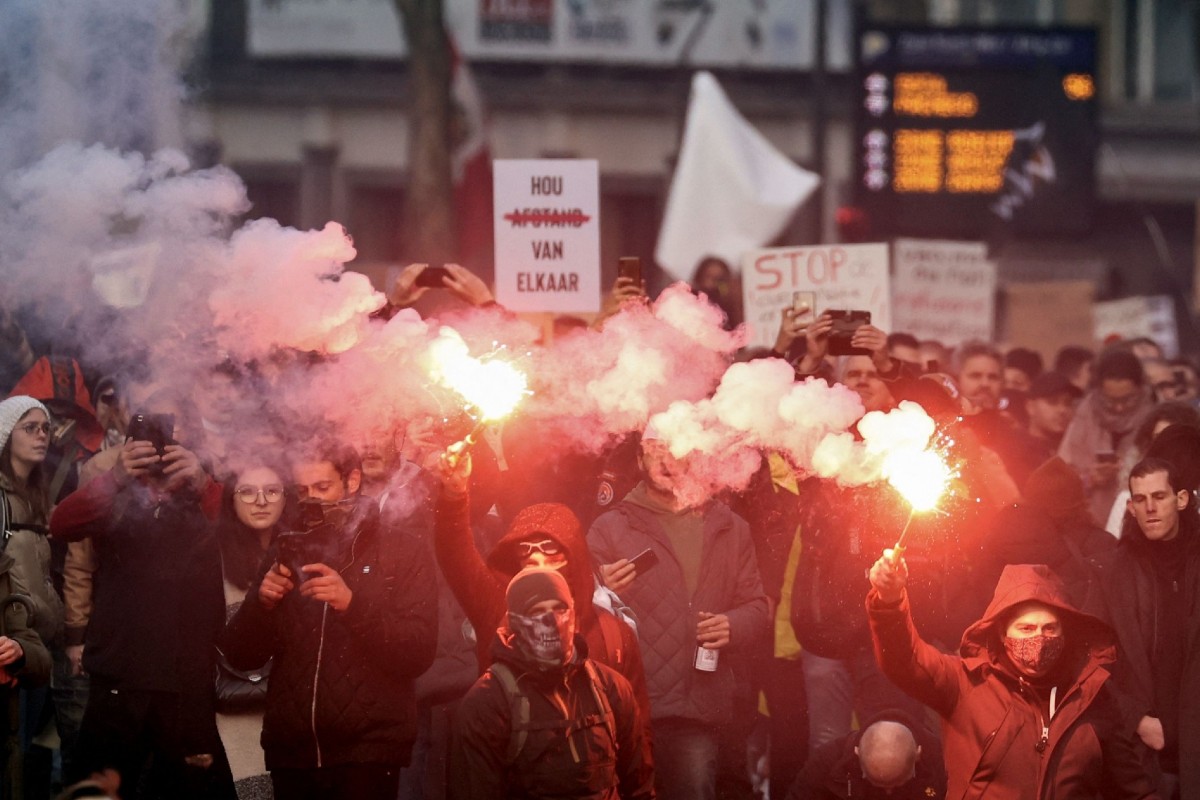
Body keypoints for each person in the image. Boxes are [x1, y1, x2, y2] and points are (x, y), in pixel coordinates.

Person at [220, 441, 438, 799]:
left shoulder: (402, 549)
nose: (313, 501)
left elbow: (418, 652)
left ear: (352, 481)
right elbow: (242, 656)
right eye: (303, 491)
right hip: (292, 753)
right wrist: (261, 604)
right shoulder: (285, 548)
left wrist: (352, 605)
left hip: (368, 753)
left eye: (323, 488)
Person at [48, 392, 236, 797]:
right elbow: (62, 525)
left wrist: (203, 482)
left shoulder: (207, 483)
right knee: (98, 791)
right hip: (120, 670)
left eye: (172, 432)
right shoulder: (115, 479)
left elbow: (239, 542)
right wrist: (117, 477)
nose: (163, 444)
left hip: (187, 673)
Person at [867, 558, 1157, 799]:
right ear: (1003, 633)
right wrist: (890, 602)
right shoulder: (966, 682)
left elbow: (1133, 790)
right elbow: (905, 661)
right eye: (1027, 628)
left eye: (1049, 628)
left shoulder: (1091, 697)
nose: (1039, 639)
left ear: (1065, 633)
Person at [588, 429, 769, 800]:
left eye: (676, 447)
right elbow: (579, 613)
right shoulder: (610, 527)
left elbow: (757, 606)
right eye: (655, 449)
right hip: (627, 704)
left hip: (695, 708)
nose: (666, 459)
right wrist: (600, 588)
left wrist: (733, 625)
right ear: (639, 461)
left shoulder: (729, 526)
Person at [434, 441, 651, 716]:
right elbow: (456, 556)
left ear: (573, 557)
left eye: (550, 549)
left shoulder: (612, 632)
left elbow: (636, 723)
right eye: (526, 552)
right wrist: (453, 494)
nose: (537, 560)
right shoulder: (499, 611)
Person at [450, 567, 654, 800]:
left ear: (574, 613)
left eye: (559, 608)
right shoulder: (488, 702)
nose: (552, 621)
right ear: (515, 622)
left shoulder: (611, 687)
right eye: (536, 611)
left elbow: (640, 786)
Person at [1105, 457, 1200, 799]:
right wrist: (1137, 720)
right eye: (1140, 500)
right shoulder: (1116, 571)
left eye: (1159, 496)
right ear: (1130, 507)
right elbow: (1093, 660)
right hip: (1147, 755)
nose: (1150, 508)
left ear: (1182, 499)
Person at [215, 462, 288, 799]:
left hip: (290, 709)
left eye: (272, 490)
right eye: (247, 491)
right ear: (231, 500)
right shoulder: (211, 560)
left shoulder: (302, 554)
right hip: (233, 710)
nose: (261, 500)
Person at [1059, 349, 1155, 523]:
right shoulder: (1085, 415)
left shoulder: (1153, 417)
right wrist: (1090, 479)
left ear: (1140, 389)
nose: (1118, 408)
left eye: (1127, 399)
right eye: (1111, 400)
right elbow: (1061, 476)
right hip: (1090, 521)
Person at [784, 710, 945, 800]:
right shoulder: (828, 763)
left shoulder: (944, 762)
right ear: (857, 753)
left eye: (899, 783)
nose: (888, 793)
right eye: (875, 782)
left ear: (918, 755)